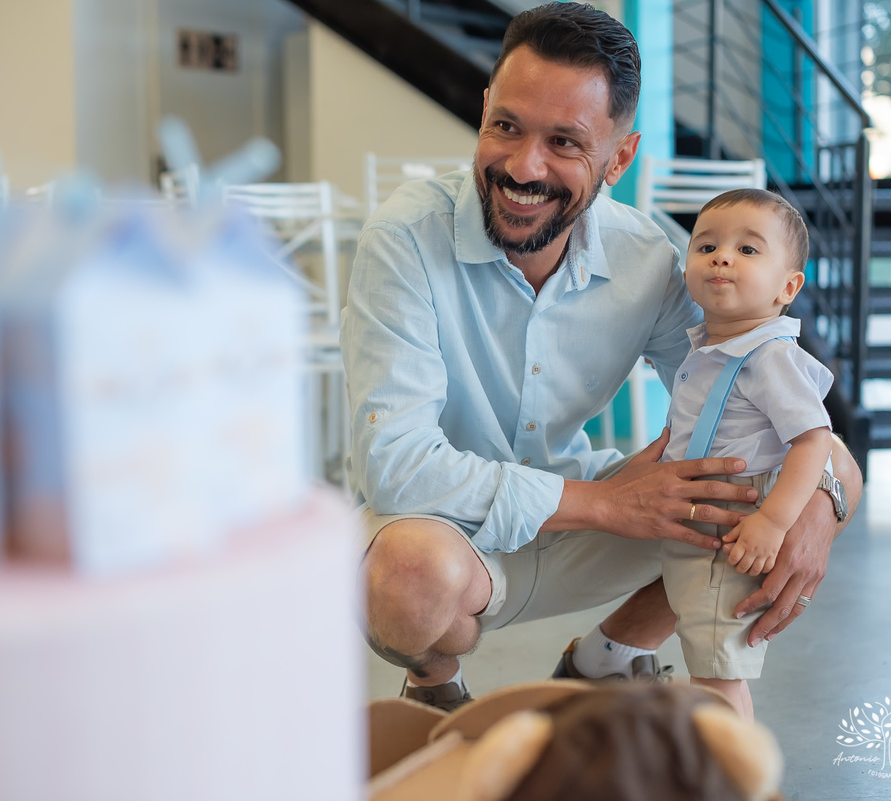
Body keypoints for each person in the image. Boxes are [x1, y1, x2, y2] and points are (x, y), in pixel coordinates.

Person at [340, 2, 861, 713]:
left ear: (619, 157)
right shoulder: (405, 238)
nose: (524, 166)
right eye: (507, 126)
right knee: (403, 579)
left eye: (564, 142)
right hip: (446, 531)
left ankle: (610, 654)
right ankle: (435, 683)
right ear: (485, 108)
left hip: (586, 532)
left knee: (768, 482)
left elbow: (818, 442)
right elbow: (396, 467)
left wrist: (816, 511)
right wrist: (603, 501)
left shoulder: (649, 260)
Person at [660, 188, 836, 722]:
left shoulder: (770, 356)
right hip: (704, 512)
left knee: (716, 672)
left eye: (748, 249)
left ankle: (732, 776)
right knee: (711, 659)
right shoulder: (715, 346)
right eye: (706, 245)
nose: (722, 256)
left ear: (788, 287)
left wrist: (772, 522)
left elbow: (813, 439)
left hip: (738, 520)